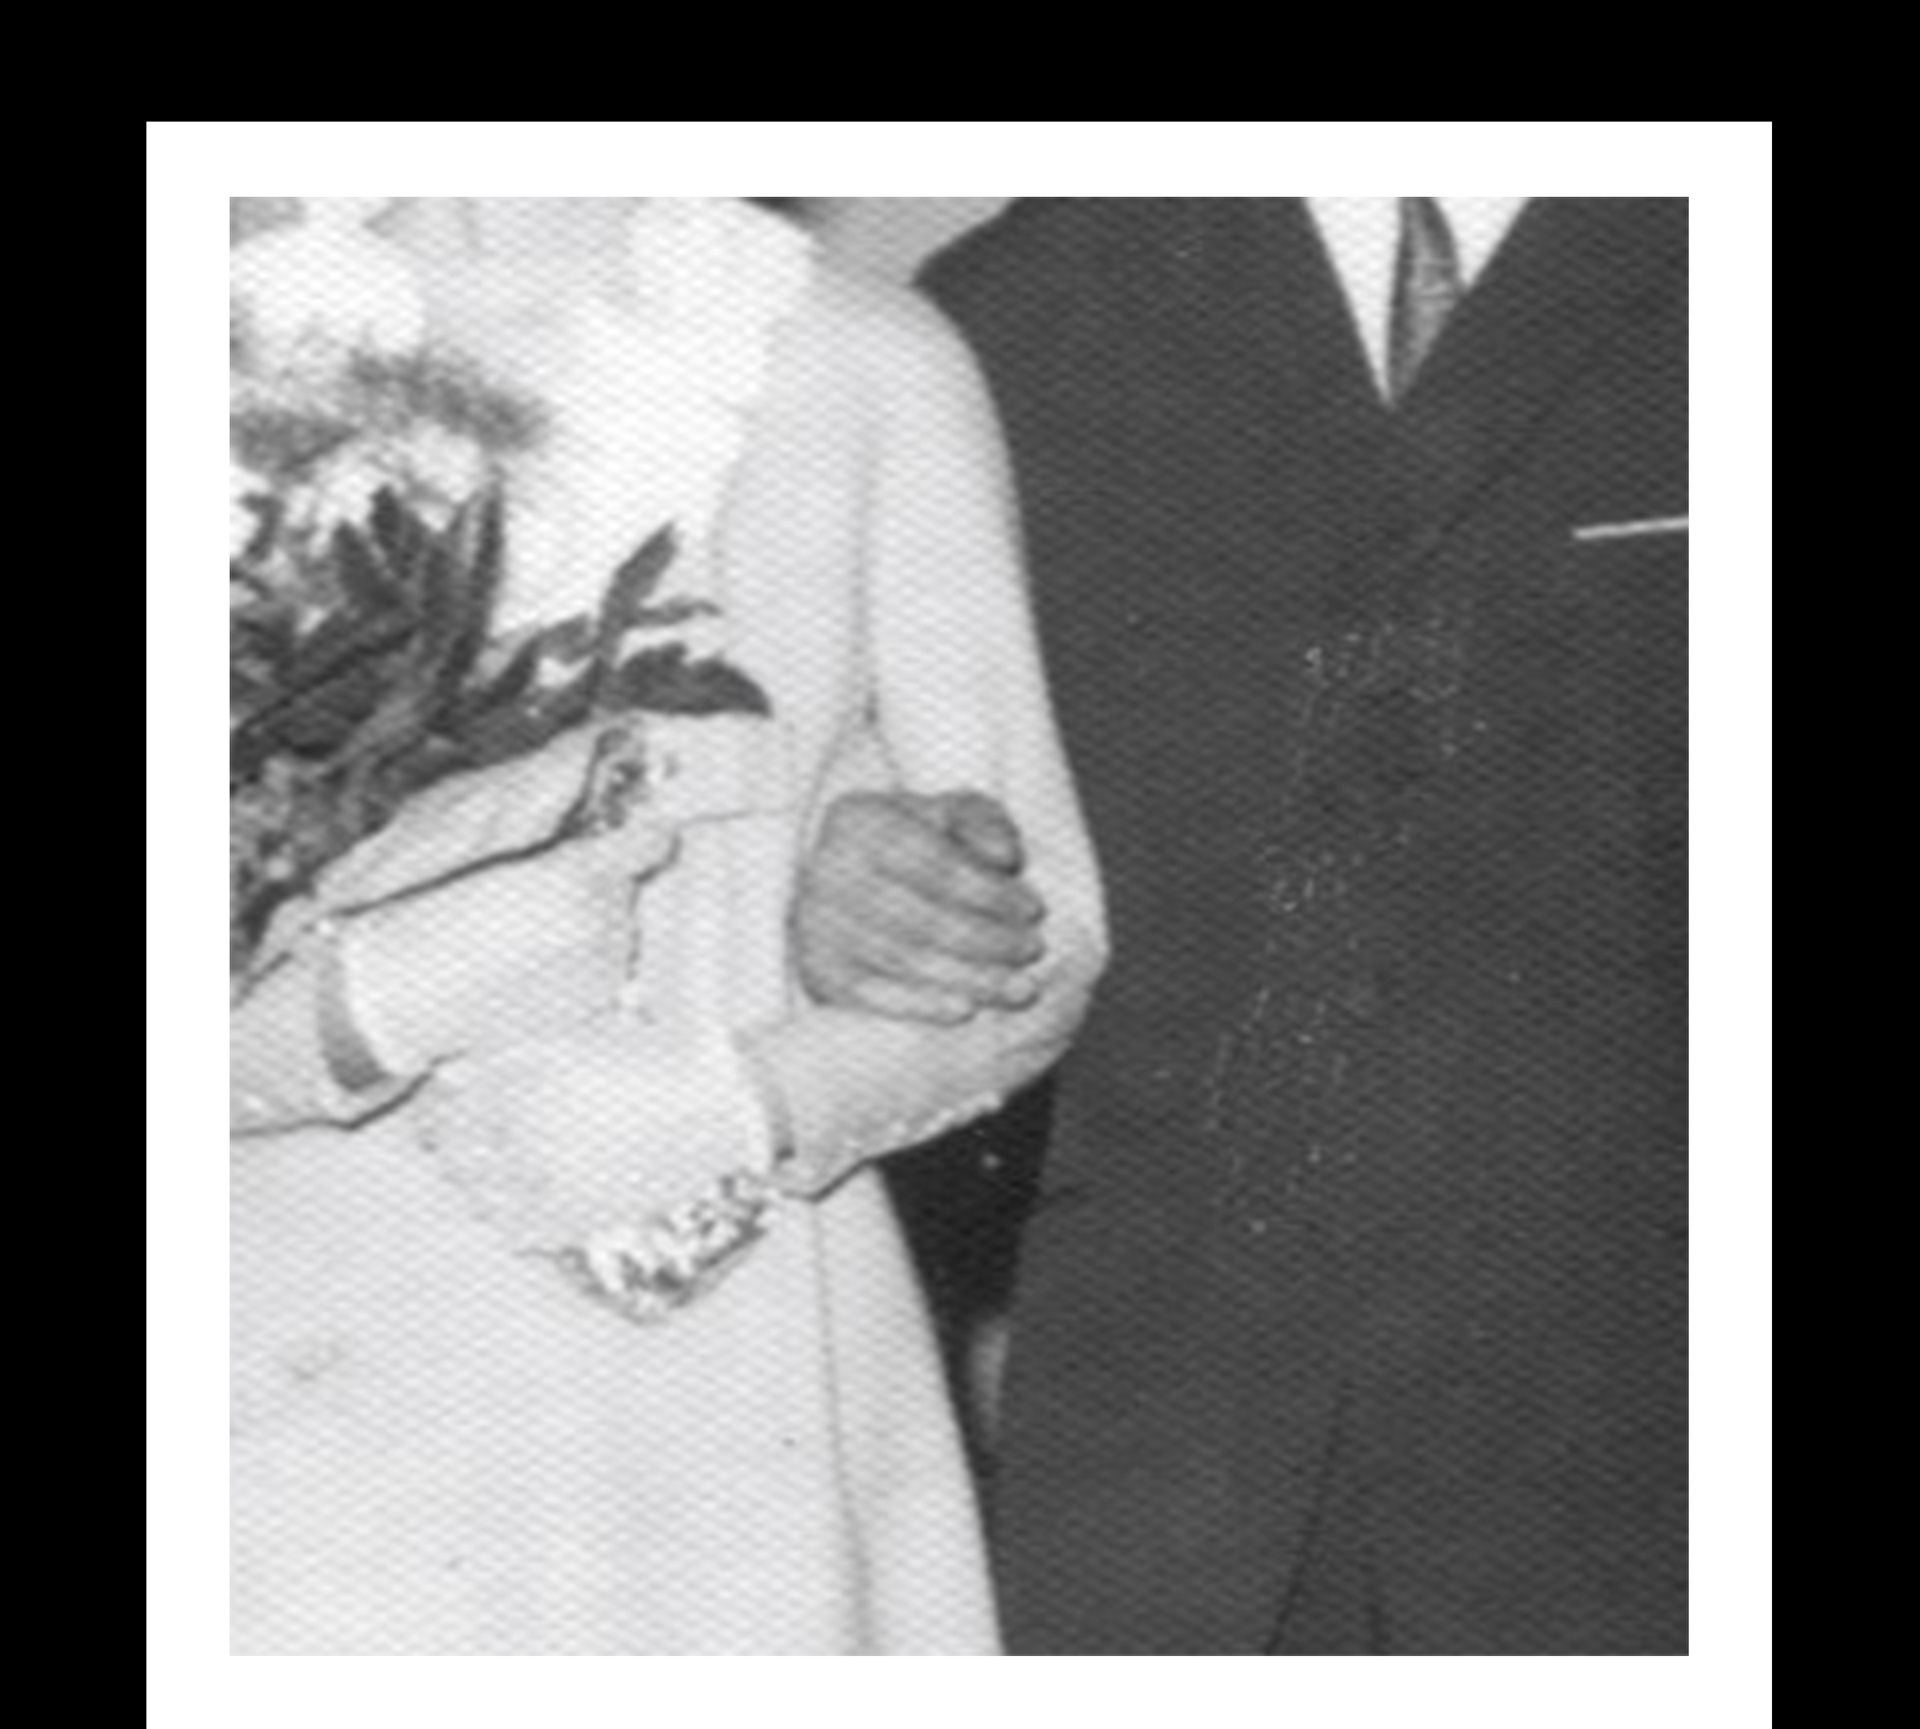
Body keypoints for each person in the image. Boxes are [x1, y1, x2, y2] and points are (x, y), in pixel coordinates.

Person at [799, 200, 1687, 1654]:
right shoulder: (1020, 304)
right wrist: (858, 882)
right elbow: (909, 816)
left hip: (1646, 1452)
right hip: (1176, 1470)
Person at [230, 197, 1104, 1654]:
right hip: (287, 1382)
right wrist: (349, 1014)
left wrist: (751, 1097)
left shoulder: (856, 361)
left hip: (712, 1363)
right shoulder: (231, 348)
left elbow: (1042, 928)